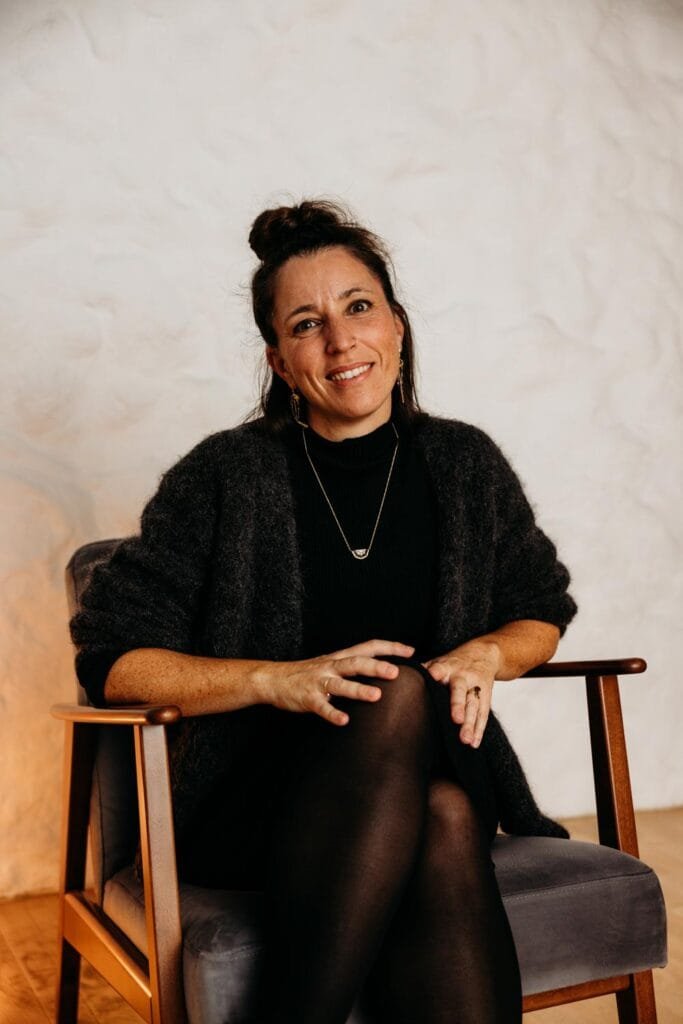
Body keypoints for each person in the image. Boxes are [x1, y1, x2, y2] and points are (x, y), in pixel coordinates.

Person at [71, 199, 577, 1024]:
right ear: (277, 359)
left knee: (441, 800)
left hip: (438, 770)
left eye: (358, 307)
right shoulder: (223, 475)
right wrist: (275, 680)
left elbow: (538, 608)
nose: (341, 342)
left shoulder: (463, 462)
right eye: (306, 324)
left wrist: (490, 652)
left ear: (396, 326)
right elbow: (114, 659)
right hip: (253, 800)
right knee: (420, 755)